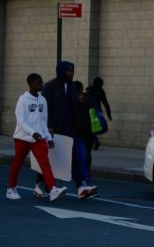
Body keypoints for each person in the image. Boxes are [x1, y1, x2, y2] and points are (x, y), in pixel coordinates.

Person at [7, 73, 66, 201]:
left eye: (41, 82)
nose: (41, 84)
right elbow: (21, 120)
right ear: (31, 84)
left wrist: (49, 139)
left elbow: (43, 122)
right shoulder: (23, 99)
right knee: (17, 163)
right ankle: (11, 188)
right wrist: (32, 132)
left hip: (38, 138)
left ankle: (53, 189)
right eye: (39, 82)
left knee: (45, 163)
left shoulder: (43, 100)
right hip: (22, 138)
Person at [38, 61, 77, 196]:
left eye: (72, 71)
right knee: (47, 158)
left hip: (67, 129)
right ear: (61, 71)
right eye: (68, 71)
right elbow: (44, 108)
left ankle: (80, 185)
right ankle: (40, 185)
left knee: (63, 158)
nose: (70, 73)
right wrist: (48, 126)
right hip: (52, 129)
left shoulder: (72, 88)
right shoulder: (49, 87)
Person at [71, 81, 99, 199]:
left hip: (82, 135)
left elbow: (94, 117)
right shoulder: (79, 101)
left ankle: (83, 183)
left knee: (83, 158)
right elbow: (94, 118)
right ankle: (83, 183)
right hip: (82, 135)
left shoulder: (86, 100)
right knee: (82, 159)